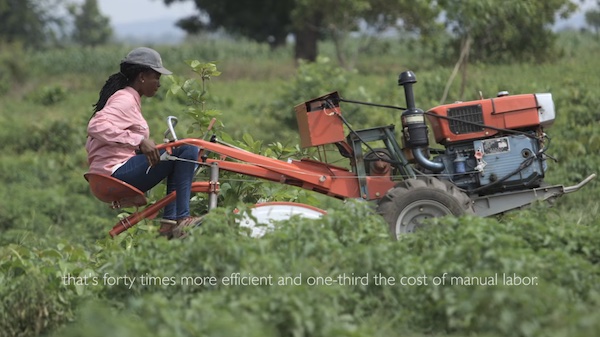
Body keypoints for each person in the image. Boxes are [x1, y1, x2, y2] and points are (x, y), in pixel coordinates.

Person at [86, 47, 200, 239]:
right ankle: (182, 219)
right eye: (156, 77)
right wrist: (139, 141)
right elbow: (96, 126)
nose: (159, 84)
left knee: (175, 153)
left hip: (112, 170)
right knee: (188, 150)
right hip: (116, 172)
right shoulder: (125, 99)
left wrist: (148, 147)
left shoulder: (128, 98)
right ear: (142, 77)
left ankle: (169, 223)